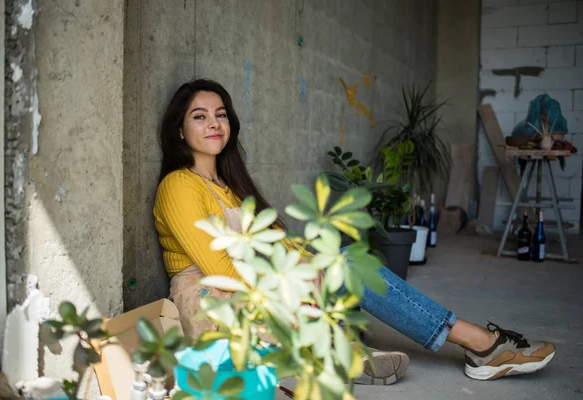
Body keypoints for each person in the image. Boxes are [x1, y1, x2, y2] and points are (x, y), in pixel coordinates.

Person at [153, 79, 555, 385]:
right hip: (214, 295)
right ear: (179, 130)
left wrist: (311, 260)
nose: (214, 123)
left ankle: (340, 351)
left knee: (346, 261)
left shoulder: (230, 185)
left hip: (256, 280)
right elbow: (219, 266)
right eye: (199, 115)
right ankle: (476, 344)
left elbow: (275, 241)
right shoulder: (178, 186)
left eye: (220, 113)